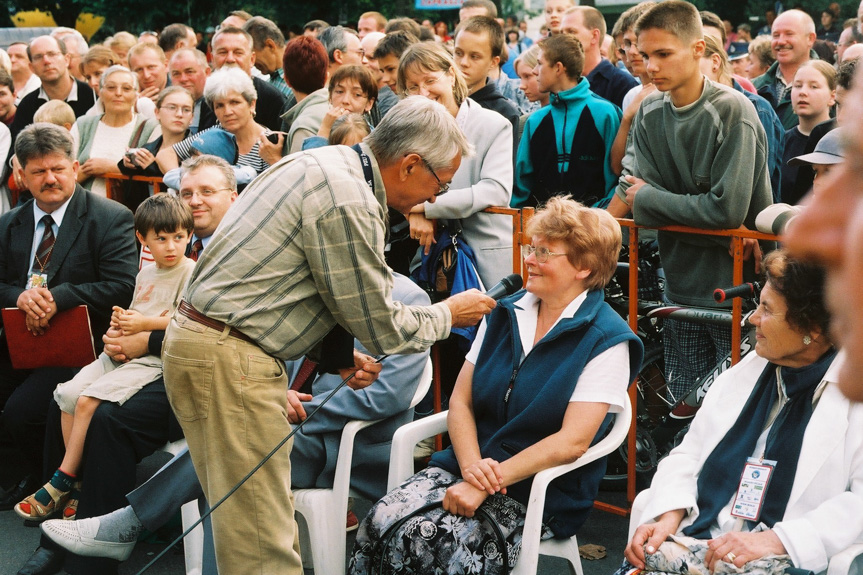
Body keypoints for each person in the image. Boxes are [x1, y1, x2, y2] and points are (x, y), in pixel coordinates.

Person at [160, 97, 495, 575]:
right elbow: (379, 322)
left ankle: (128, 520)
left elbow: (299, 284)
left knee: (241, 530)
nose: (434, 197)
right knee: (262, 545)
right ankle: (127, 521)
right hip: (229, 356)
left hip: (207, 345)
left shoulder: (320, 161)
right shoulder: (348, 194)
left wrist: (337, 355)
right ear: (410, 165)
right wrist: (448, 313)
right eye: (439, 183)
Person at [40, 271, 430, 567]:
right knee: (229, 455)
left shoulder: (409, 300)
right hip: (282, 424)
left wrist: (276, 405)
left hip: (345, 446)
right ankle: (133, 526)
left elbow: (383, 396)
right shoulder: (317, 287)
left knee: (234, 446)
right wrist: (273, 394)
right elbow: (272, 353)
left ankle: (129, 522)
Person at [350, 197, 643, 575]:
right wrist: (472, 469)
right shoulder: (506, 311)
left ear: (584, 268)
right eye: (531, 247)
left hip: (537, 487)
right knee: (379, 522)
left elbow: (572, 442)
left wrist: (488, 483)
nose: (530, 260)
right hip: (469, 464)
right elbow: (462, 401)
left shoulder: (607, 339)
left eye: (544, 252)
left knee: (433, 544)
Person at [622, 249, 863, 575]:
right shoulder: (749, 369)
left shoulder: (854, 393)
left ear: (813, 328)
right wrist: (669, 511)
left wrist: (780, 540)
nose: (752, 318)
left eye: (767, 309)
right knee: (641, 557)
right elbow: (688, 453)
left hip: (775, 559)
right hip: (703, 539)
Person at [607, 1, 773, 401]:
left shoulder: (733, 110)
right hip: (678, 282)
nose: (650, 66)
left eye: (663, 54)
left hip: (736, 288)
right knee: (684, 402)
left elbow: (725, 211)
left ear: (699, 50)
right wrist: (650, 201)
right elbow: (633, 190)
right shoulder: (648, 109)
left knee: (735, 404)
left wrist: (650, 199)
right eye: (645, 55)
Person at [14, 194, 194, 523]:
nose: (171, 246)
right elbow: (134, 314)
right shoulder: (146, 275)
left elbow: (186, 322)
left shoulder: (190, 272)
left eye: (179, 237)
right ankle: (81, 481)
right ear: (143, 239)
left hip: (152, 360)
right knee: (67, 394)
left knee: (87, 403)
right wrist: (115, 331)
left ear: (189, 236)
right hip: (121, 351)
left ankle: (61, 482)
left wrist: (142, 325)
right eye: (161, 238)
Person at [0, 123, 137, 522]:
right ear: (21, 175)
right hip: (20, 337)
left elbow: (121, 286)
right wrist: (20, 297)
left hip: (79, 345)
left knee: (21, 412)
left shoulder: (110, 217)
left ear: (75, 167)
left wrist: (57, 298)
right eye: (38, 171)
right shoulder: (10, 224)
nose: (50, 179)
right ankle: (27, 474)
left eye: (58, 168)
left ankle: (56, 488)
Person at [397, 42, 514, 290]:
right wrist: (413, 213)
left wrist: (425, 209)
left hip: (486, 256)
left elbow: (495, 190)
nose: (423, 93)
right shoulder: (407, 131)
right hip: (431, 257)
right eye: (412, 87)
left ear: (451, 75)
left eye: (429, 81)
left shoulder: (493, 124)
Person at [512, 34, 621, 208]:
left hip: (593, 230)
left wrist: (592, 219)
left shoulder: (606, 113)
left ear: (558, 68)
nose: (534, 71)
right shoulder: (535, 121)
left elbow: (616, 181)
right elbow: (521, 188)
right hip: (543, 230)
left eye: (540, 64)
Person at [699, 35, 785, 203]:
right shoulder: (696, 107)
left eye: (692, 65)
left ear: (715, 62)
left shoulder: (757, 109)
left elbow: (753, 186)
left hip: (749, 224)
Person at [157, 68, 271, 176]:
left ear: (252, 104)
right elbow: (165, 155)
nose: (227, 112)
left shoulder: (268, 142)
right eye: (219, 105)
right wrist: (183, 182)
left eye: (234, 102)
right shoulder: (215, 134)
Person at [71, 65, 159, 198]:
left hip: (130, 213)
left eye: (126, 88)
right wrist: (87, 170)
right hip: (84, 209)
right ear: (100, 92)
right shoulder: (83, 125)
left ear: (136, 95)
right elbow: (63, 172)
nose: (118, 93)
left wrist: (112, 168)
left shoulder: (151, 127)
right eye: (111, 87)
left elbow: (156, 174)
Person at [756, 129, 844, 235]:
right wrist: (805, 227)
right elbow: (764, 217)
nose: (817, 181)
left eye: (828, 172)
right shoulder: (817, 212)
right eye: (815, 171)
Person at [453, 16, 520, 155]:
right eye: (458, 53)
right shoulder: (440, 100)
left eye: (474, 56)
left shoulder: (505, 112)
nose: (463, 62)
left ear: (493, 62)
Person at [10, 36, 96, 143]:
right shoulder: (27, 105)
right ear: (31, 67)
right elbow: (17, 149)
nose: (46, 61)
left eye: (52, 54)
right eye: (38, 57)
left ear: (66, 59)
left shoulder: (92, 96)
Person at [780, 61, 836, 206]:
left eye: (814, 86)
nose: (803, 92)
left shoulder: (842, 142)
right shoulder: (781, 141)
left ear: (832, 96)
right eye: (797, 86)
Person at [561, 6, 638, 109]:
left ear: (594, 36)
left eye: (571, 31)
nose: (563, 38)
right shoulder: (560, 80)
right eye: (561, 33)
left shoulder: (621, 84)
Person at [752, 10, 818, 130]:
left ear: (810, 38)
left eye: (789, 34)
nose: (781, 41)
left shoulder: (831, 86)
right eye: (776, 35)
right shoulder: (754, 87)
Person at [119, 86, 194, 178]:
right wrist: (127, 163)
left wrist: (152, 168)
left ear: (192, 118)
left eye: (186, 110)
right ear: (157, 112)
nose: (179, 114)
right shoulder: (148, 149)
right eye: (172, 107)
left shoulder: (197, 152)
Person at [276, 36, 329, 156]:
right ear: (326, 76)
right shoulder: (337, 107)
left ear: (286, 80)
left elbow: (301, 174)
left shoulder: (304, 126)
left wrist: (273, 158)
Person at [301, 65, 376, 149]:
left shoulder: (374, 140)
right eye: (339, 92)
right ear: (330, 97)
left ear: (369, 103)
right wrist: (324, 130)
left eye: (357, 94)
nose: (345, 100)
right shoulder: (314, 127)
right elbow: (311, 160)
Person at [243, 16, 293, 100]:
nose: (251, 61)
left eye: (252, 54)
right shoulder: (270, 82)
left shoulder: (299, 80)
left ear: (270, 45)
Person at [168, 48, 211, 135]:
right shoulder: (164, 107)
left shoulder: (217, 105)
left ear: (207, 72)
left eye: (189, 72)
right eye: (176, 74)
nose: (183, 79)